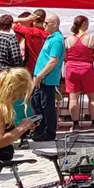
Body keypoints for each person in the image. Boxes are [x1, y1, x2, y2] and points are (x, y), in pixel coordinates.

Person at [30, 13, 66, 142]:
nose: (44, 25)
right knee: (36, 103)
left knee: (47, 106)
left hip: (47, 79)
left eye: (46, 23)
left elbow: (53, 61)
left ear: (55, 24)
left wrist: (40, 75)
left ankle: (49, 132)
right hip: (41, 78)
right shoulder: (51, 38)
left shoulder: (57, 40)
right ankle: (39, 129)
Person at [62, 16, 94, 129]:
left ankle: (75, 123)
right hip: (86, 68)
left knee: (73, 98)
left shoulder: (67, 40)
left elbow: (65, 57)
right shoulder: (92, 39)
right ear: (84, 24)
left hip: (71, 69)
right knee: (93, 96)